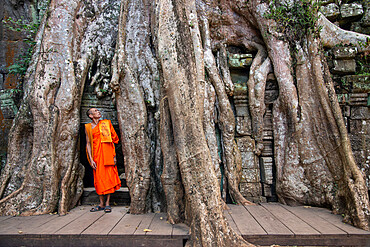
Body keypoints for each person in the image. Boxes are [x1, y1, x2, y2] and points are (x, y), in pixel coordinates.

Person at [85, 108, 121, 213]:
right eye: (95, 111)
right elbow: (88, 143)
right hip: (96, 156)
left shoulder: (105, 124)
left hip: (108, 154)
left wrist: (114, 156)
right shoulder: (88, 127)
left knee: (109, 179)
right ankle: (101, 203)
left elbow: (112, 140)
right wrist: (90, 159)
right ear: (91, 116)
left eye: (98, 111)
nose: (98, 112)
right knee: (99, 179)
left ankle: (107, 203)